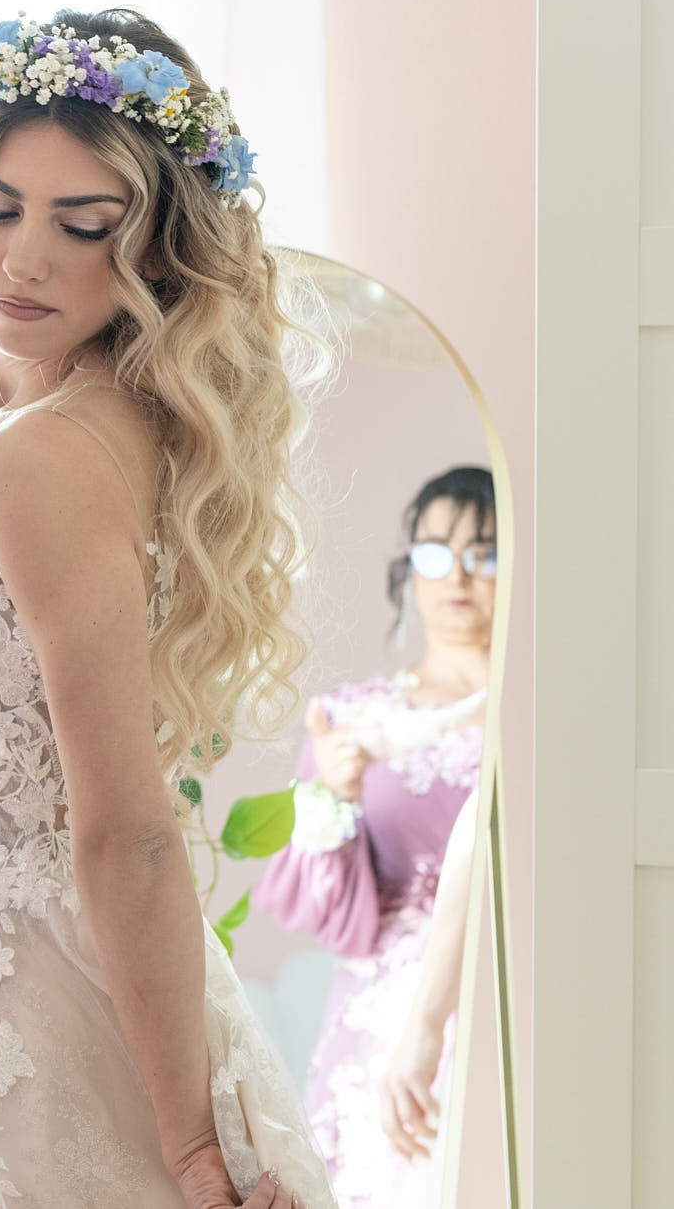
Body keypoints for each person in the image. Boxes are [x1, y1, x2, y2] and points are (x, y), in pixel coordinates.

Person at [0, 10, 334, 1209]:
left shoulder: (39, 455)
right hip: (53, 973)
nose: (19, 260)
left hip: (42, 999)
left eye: (82, 226)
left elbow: (122, 826)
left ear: (158, 251)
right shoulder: (128, 421)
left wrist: (185, 1147)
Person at [254, 467, 496, 1206]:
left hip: (502, 989)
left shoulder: (540, 713)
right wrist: (332, 792)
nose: (456, 574)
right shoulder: (351, 721)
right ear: (409, 568)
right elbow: (327, 912)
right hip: (377, 1016)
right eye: (434, 551)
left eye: (483, 552)